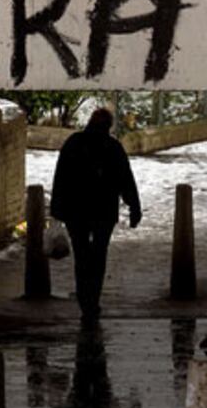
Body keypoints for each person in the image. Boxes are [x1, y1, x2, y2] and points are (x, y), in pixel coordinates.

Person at [50, 107, 142, 323]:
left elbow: (61, 177)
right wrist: (134, 207)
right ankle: (93, 300)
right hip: (103, 211)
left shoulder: (74, 143)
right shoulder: (112, 147)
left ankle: (85, 301)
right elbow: (125, 180)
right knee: (99, 255)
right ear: (109, 126)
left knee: (82, 256)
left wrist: (57, 208)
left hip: (77, 212)